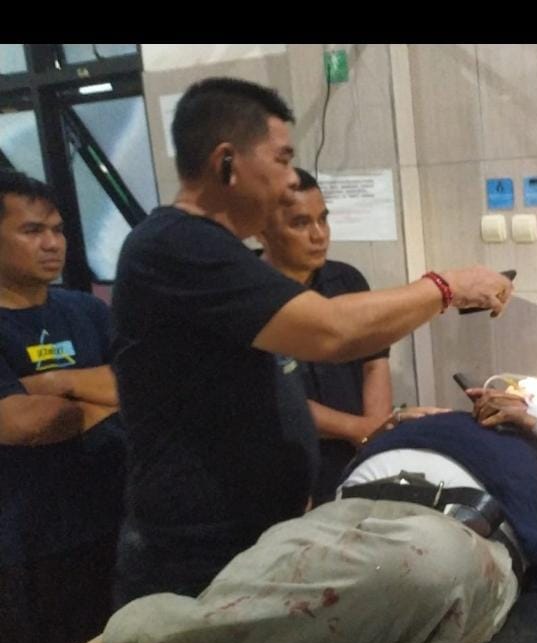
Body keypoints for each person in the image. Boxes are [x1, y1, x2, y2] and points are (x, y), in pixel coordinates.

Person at [110, 77, 514, 607]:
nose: (288, 182)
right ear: (226, 162)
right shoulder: (174, 245)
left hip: (252, 530)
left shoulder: (220, 254)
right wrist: (447, 286)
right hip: (195, 548)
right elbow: (333, 331)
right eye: (281, 160)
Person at [96, 388, 537, 643]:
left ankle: (140, 636)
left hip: (456, 531)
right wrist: (393, 427)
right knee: (254, 584)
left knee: (425, 569)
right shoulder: (436, 417)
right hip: (340, 516)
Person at [0, 170, 126, 643]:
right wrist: (104, 402)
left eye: (58, 230)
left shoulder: (88, 310)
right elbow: (20, 422)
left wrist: (57, 383)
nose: (52, 243)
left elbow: (141, 386)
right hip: (27, 547)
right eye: (32, 230)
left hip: (113, 523)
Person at [257, 167, 393, 505]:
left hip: (354, 454)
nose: (319, 235)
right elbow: (271, 396)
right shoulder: (248, 292)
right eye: (301, 223)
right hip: (285, 458)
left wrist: (375, 432)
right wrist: (356, 429)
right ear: (261, 231)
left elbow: (375, 362)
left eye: (323, 220)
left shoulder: (347, 280)